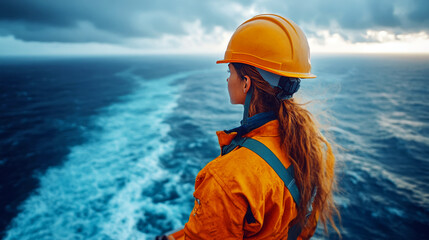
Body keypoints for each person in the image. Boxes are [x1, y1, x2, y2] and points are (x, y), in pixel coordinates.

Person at [164, 14, 340, 240]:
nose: (228, 80)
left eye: (230, 72)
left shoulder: (228, 179)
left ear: (246, 83)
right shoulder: (310, 150)